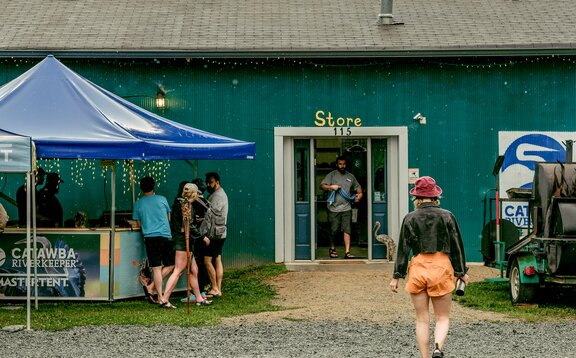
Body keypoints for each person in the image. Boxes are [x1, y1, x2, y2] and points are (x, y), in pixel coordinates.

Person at [389, 176, 470, 358]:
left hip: (418, 267)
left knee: (422, 320)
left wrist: (396, 276)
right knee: (442, 317)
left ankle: (425, 356)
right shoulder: (447, 216)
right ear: (435, 197)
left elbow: (403, 248)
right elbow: (457, 246)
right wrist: (461, 272)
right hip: (441, 267)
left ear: (416, 198)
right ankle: (438, 348)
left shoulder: (409, 218)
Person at [161, 182, 212, 308]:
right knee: (178, 271)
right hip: (183, 242)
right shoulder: (186, 206)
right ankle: (164, 299)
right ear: (194, 194)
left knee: (194, 270)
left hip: (182, 240)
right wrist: (202, 237)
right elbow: (189, 226)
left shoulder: (179, 203)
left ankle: (199, 298)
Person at [132, 176, 175, 306]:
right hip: (165, 235)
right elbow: (168, 217)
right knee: (171, 265)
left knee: (156, 268)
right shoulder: (162, 199)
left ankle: (156, 292)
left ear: (141, 187)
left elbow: (138, 224)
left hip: (150, 237)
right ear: (154, 186)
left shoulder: (138, 203)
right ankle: (154, 290)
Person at [319, 155, 363, 259]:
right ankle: (332, 248)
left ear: (346, 165)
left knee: (347, 230)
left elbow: (358, 187)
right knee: (334, 230)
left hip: (346, 208)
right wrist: (331, 187)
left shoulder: (350, 176)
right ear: (336, 164)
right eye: (340, 164)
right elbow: (321, 186)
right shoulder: (332, 175)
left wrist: (359, 196)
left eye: (344, 164)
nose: (342, 166)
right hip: (333, 208)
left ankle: (347, 252)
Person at [203, 172, 228, 298]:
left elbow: (211, 215)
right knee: (217, 259)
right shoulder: (218, 194)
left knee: (207, 260)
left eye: (210, 182)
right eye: (207, 182)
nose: (208, 184)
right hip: (220, 233)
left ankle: (215, 288)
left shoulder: (217, 196)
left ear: (217, 182)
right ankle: (218, 288)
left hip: (214, 234)